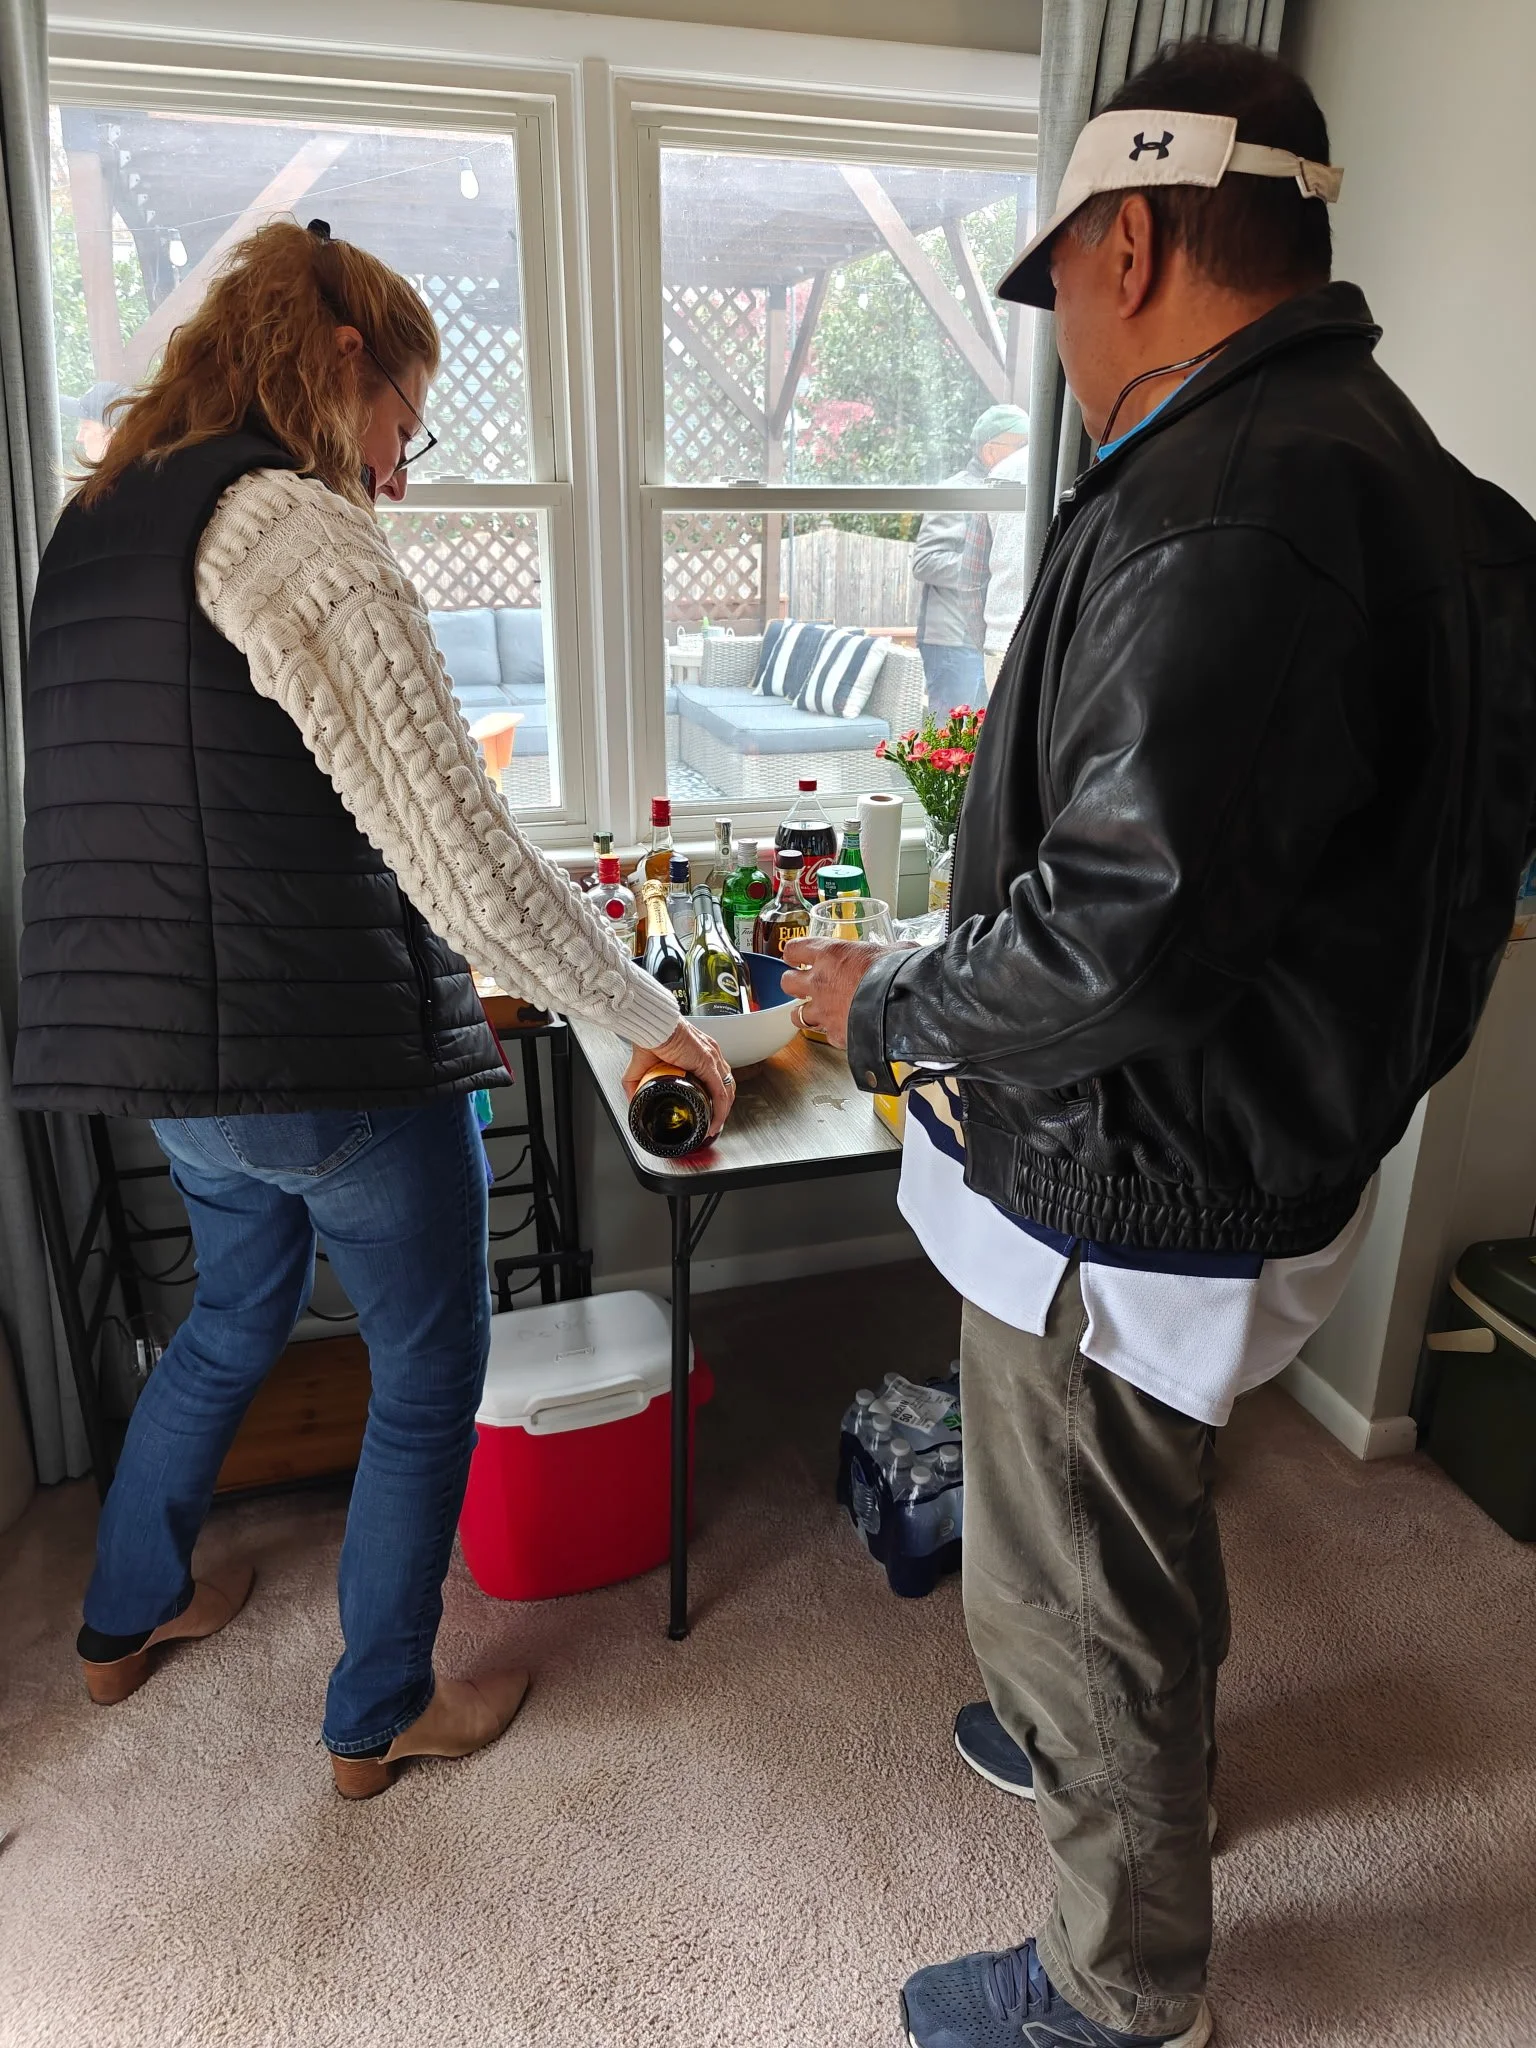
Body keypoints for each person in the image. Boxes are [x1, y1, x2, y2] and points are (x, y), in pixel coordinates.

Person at [783, 39, 1536, 2048]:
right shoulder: (1436, 493)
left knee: (1070, 1576)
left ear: (1134, 236)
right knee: (1139, 1523)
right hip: (1265, 1140)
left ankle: (1123, 1991)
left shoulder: (1229, 501)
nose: (1066, 359)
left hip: (1134, 1173)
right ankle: (1118, 1752)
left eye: (1059, 306)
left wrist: (897, 1014)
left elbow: (1122, 932)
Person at [13, 218, 733, 1800]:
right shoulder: (294, 536)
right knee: (429, 1368)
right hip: (322, 1056)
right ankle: (376, 1713)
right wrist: (642, 1015)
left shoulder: (100, 526)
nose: (401, 470)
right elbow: (465, 857)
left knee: (226, 1321)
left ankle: (125, 1617)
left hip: (158, 1062)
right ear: (340, 364)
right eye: (407, 424)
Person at [911, 403, 1027, 716]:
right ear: (990, 451)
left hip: (989, 639)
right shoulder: (955, 492)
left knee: (983, 740)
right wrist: (987, 567)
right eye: (1021, 446)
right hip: (952, 642)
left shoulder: (1014, 490)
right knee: (951, 743)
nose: (1027, 455)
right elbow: (925, 560)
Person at [980, 438, 1031, 693]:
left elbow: (972, 572)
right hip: (1031, 639)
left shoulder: (1001, 472)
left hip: (1000, 639)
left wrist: (983, 635)